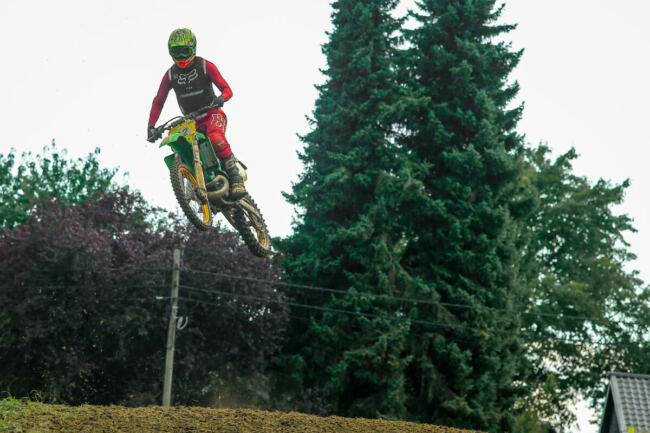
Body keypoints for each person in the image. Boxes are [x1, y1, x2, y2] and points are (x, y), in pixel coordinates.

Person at [147, 28, 245, 199]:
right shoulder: (170, 75)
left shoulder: (205, 66)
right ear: (170, 52)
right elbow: (159, 100)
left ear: (193, 49)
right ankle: (195, 182)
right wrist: (151, 126)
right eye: (177, 52)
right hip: (190, 121)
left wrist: (222, 98)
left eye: (185, 51)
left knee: (215, 137)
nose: (181, 56)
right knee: (183, 146)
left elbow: (227, 89)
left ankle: (236, 179)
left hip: (212, 113)